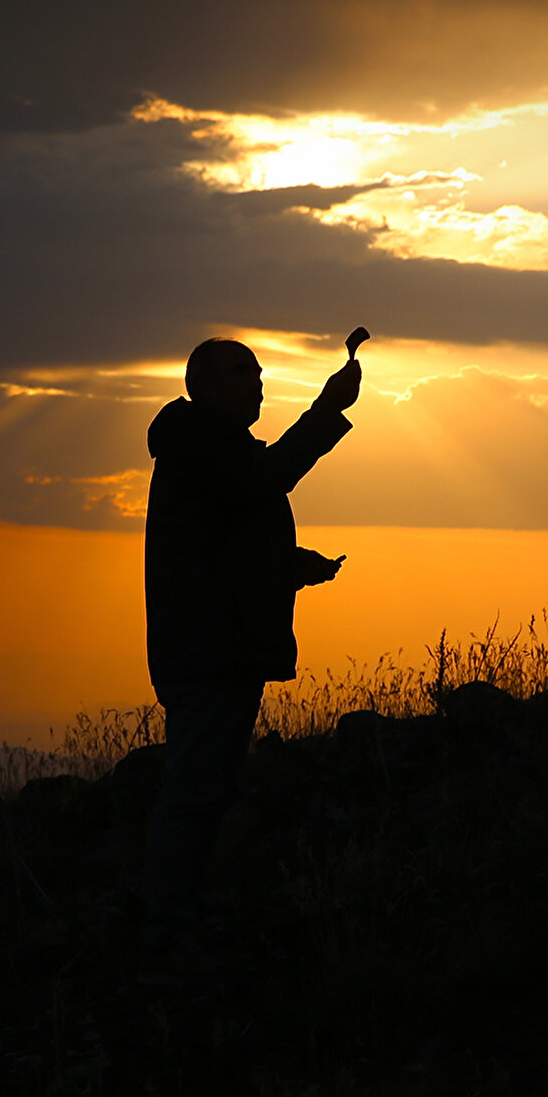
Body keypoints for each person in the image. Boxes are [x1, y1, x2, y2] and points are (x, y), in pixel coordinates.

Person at [140, 336, 361, 953]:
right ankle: (167, 932)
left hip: (224, 651)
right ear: (202, 387)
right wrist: (324, 412)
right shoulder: (198, 448)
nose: (256, 382)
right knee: (191, 794)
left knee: (211, 790)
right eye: (241, 373)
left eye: (258, 373)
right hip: (207, 655)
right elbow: (258, 485)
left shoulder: (214, 449)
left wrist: (291, 565)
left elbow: (226, 543)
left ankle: (189, 914)